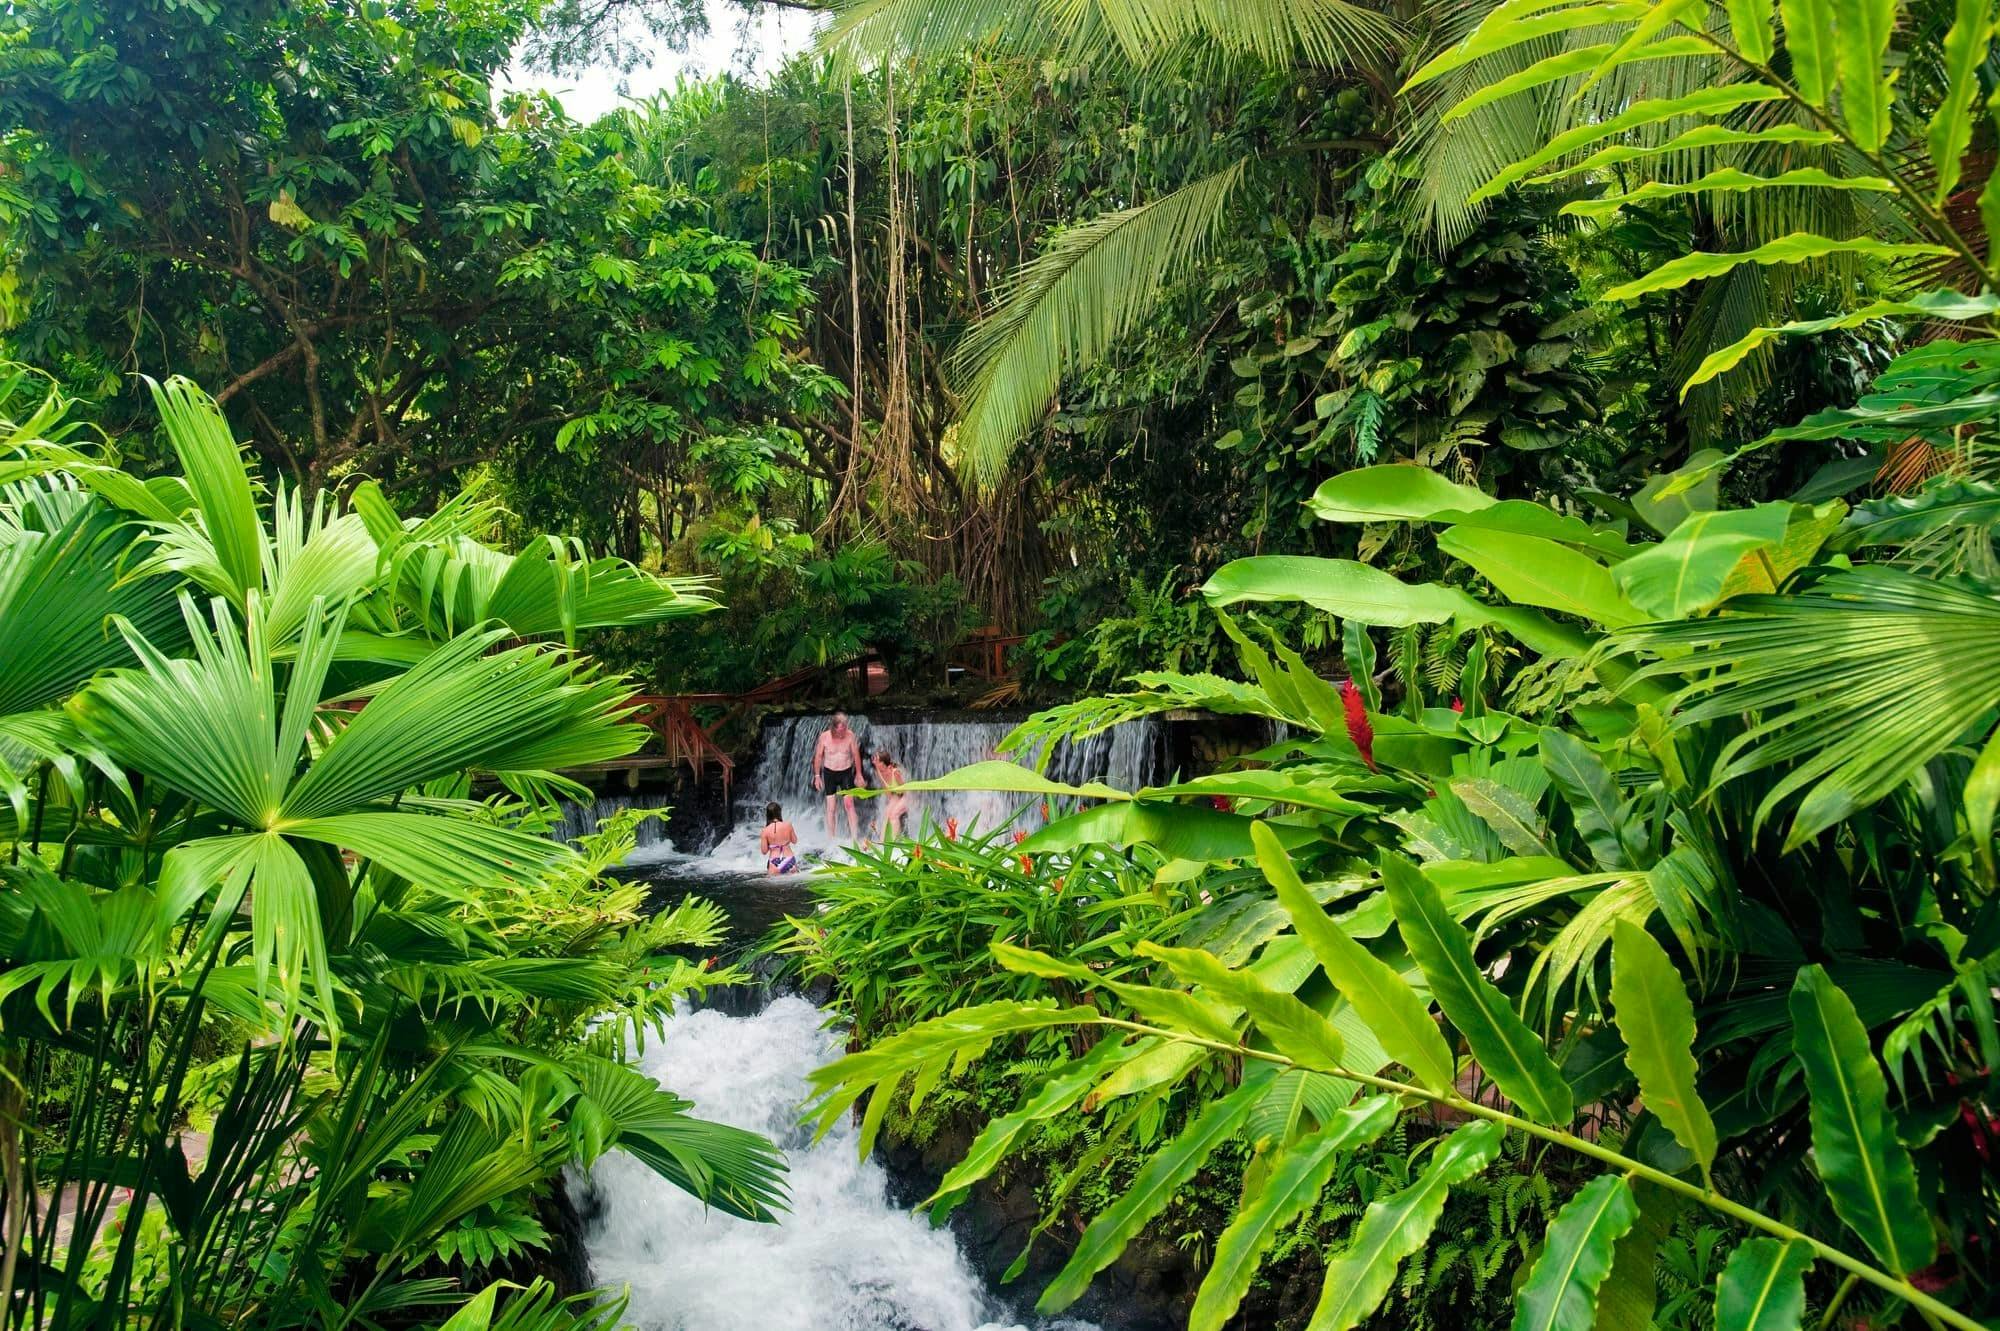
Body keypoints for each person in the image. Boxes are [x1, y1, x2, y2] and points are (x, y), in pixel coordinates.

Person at [811, 711, 867, 843]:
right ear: (834, 728)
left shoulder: (850, 735)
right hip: (829, 773)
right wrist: (817, 776)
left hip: (846, 773)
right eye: (841, 730)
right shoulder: (824, 737)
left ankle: (854, 838)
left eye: (845, 728)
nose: (843, 732)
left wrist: (859, 774)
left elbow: (856, 755)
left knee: (849, 805)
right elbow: (818, 756)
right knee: (831, 807)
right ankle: (832, 838)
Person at [874, 749, 910, 842]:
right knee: (887, 813)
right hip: (896, 795)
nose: (874, 761)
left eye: (877, 760)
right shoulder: (879, 772)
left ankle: (894, 842)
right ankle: (882, 843)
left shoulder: (895, 773)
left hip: (906, 795)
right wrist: (892, 801)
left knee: (894, 814)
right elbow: (887, 791)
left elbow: (905, 789)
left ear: (883, 763)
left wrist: (908, 803)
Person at [761, 802, 800, 875]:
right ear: (779, 812)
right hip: (789, 859)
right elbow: (795, 841)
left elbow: (764, 851)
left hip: (774, 861)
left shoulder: (765, 830)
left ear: (768, 815)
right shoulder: (788, 825)